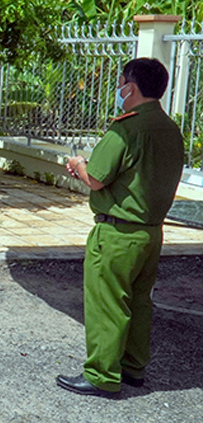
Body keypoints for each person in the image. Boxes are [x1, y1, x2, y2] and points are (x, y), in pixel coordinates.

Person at [57, 58, 184, 398]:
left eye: (121, 82)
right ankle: (132, 368)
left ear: (131, 87)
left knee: (107, 302)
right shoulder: (170, 129)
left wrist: (78, 165)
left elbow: (97, 179)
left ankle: (101, 374)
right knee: (140, 302)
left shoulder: (125, 129)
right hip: (151, 232)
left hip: (117, 232)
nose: (118, 89)